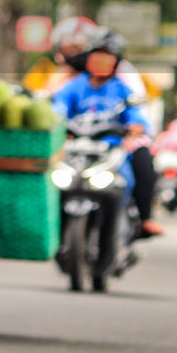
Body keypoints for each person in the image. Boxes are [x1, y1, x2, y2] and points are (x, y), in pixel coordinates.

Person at [52, 29, 164, 238]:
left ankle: (144, 219)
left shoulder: (122, 88)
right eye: (97, 54)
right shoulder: (74, 86)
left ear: (115, 61)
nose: (101, 60)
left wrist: (135, 127)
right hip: (79, 148)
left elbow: (137, 115)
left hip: (114, 148)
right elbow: (58, 108)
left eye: (107, 56)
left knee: (143, 166)